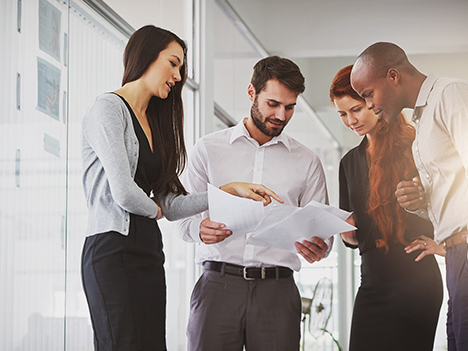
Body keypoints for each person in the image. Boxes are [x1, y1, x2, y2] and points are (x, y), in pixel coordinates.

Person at [80, 25, 282, 351]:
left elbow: (172, 205)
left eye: (181, 68)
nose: (178, 75)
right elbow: (124, 192)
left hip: (147, 249)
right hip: (111, 248)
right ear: (145, 55)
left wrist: (228, 191)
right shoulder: (108, 109)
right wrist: (156, 210)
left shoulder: (154, 122)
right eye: (173, 63)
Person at [177, 56, 333, 351]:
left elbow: (321, 232)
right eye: (273, 104)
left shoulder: (307, 161)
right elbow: (181, 219)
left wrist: (321, 248)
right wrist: (200, 230)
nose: (281, 115)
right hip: (218, 286)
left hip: (278, 291)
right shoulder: (208, 149)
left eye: (290, 107)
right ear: (252, 93)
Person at [350, 42, 468, 351]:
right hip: (455, 255)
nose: (369, 105)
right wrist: (419, 203)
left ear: (392, 76)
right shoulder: (420, 123)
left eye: (368, 94)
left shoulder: (449, 94)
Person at [331, 65, 443, 351]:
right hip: (371, 283)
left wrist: (442, 244)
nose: (350, 121)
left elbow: (453, 201)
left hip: (416, 283)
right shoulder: (348, 163)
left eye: (356, 109)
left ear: (373, 102)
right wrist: (341, 230)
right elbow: (354, 235)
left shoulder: (417, 146)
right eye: (342, 114)